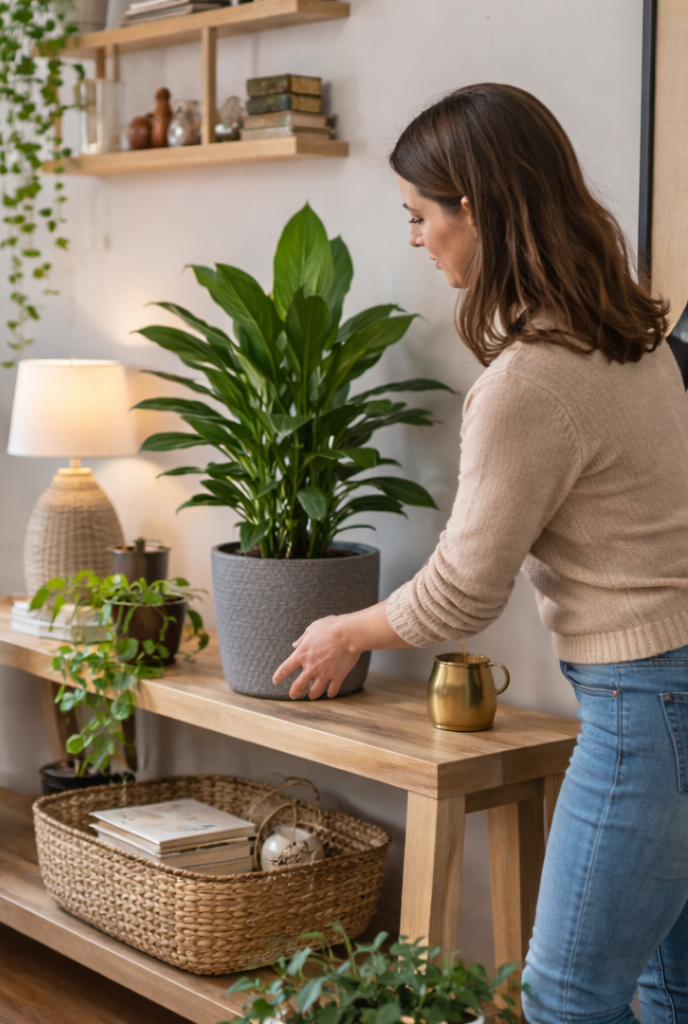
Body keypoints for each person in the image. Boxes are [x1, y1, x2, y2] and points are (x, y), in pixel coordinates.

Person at [273, 83, 688, 1024]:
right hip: (673, 689)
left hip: (649, 707)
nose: (416, 239)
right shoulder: (634, 336)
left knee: (566, 998)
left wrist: (348, 629)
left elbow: (461, 593)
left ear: (481, 210)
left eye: (423, 216)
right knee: (671, 985)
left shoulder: (529, 382)